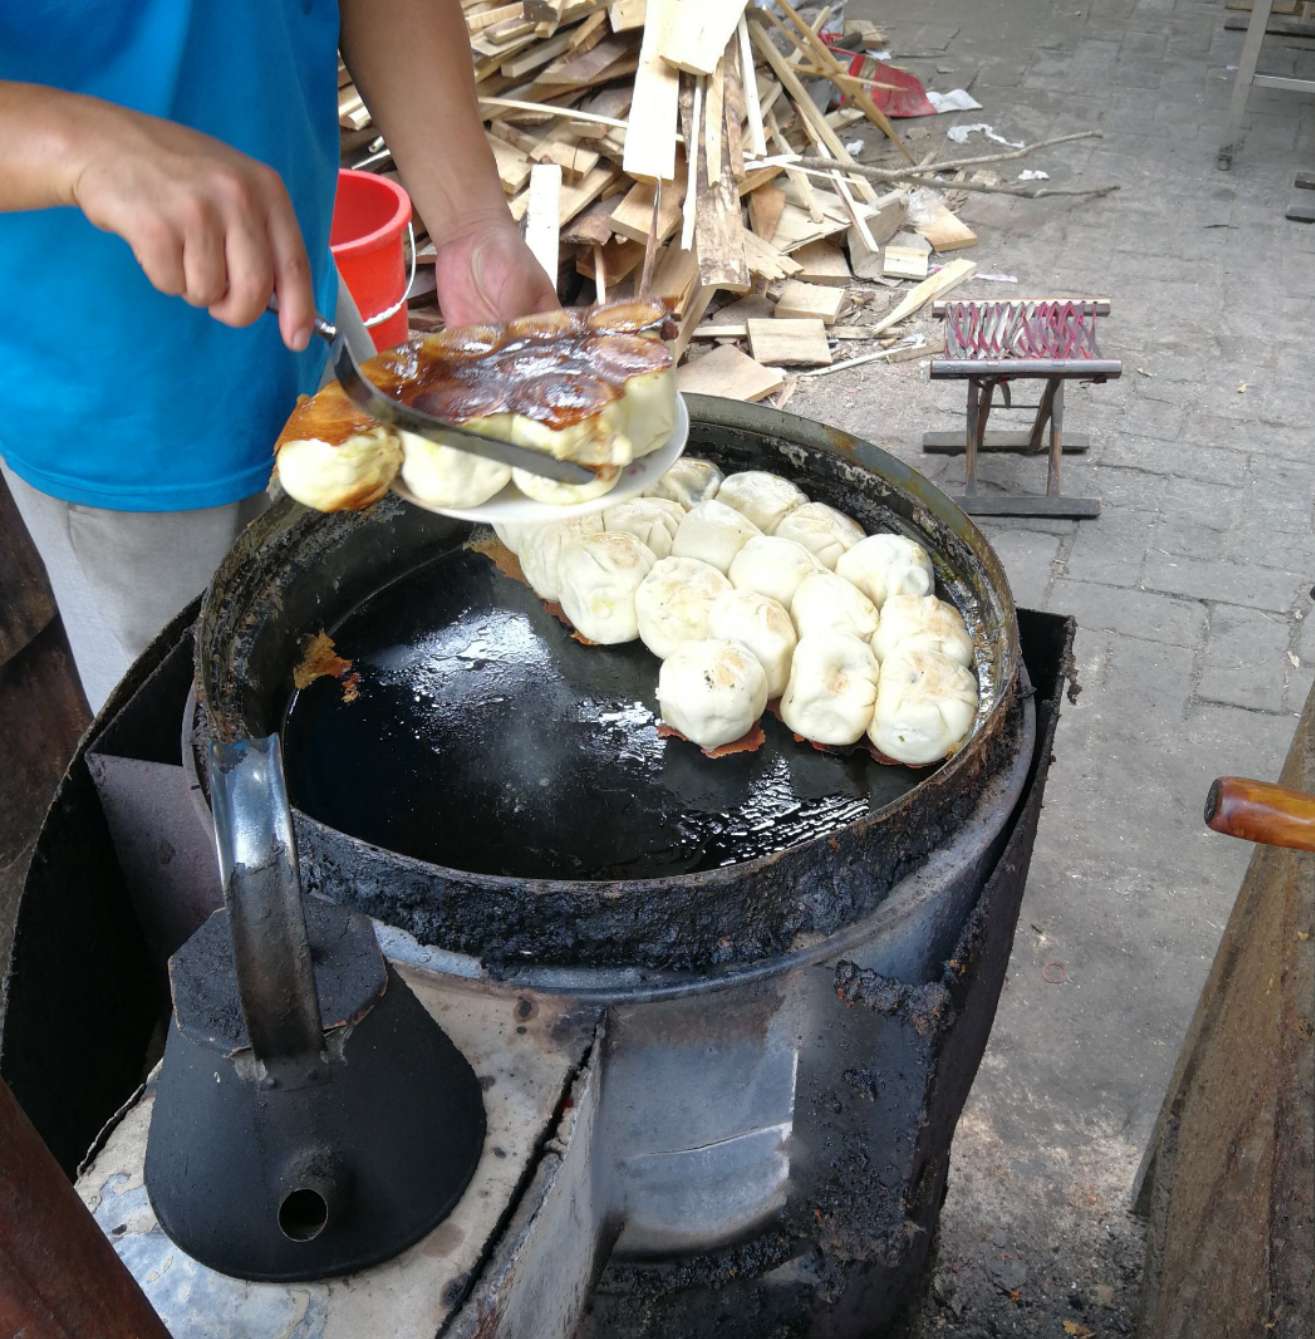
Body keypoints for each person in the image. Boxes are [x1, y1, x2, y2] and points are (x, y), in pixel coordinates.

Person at [0, 2, 557, 712]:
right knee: (205, 744)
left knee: (379, 671)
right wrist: (79, 147)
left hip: (306, 308)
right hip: (118, 424)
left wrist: (471, 224)